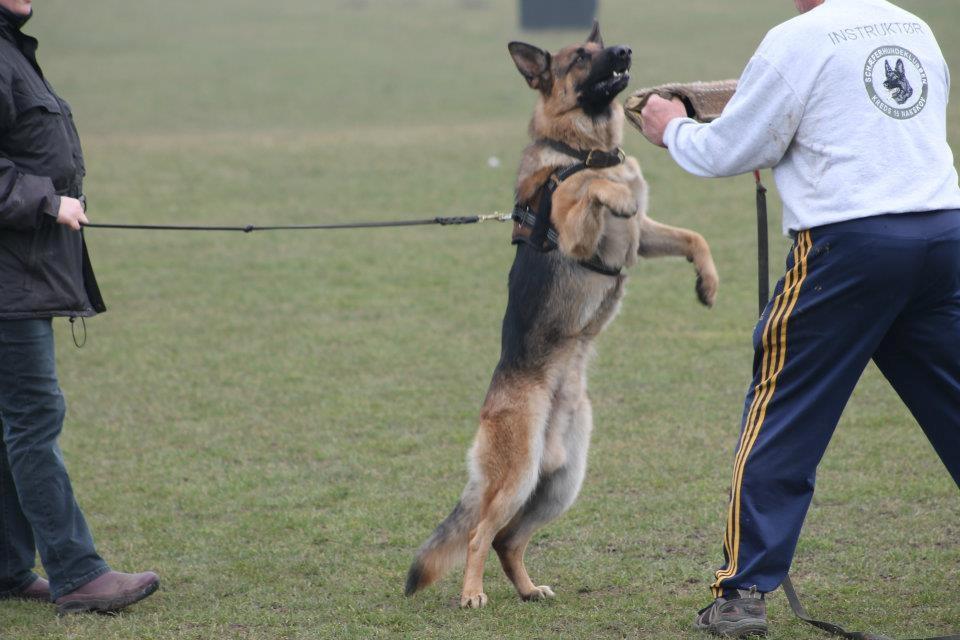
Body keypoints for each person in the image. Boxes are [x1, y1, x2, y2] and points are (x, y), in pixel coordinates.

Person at [640, 0, 960, 636]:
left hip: (849, 249)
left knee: (783, 407)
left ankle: (743, 594)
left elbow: (725, 152)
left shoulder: (796, 38)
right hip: (942, 235)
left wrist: (670, 127)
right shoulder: (913, 26)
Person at [0, 0, 159, 614]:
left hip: (20, 270)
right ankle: (77, 572)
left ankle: (8, 568)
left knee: (10, 423)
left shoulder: (10, 46)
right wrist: (46, 199)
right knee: (33, 419)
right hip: (8, 277)